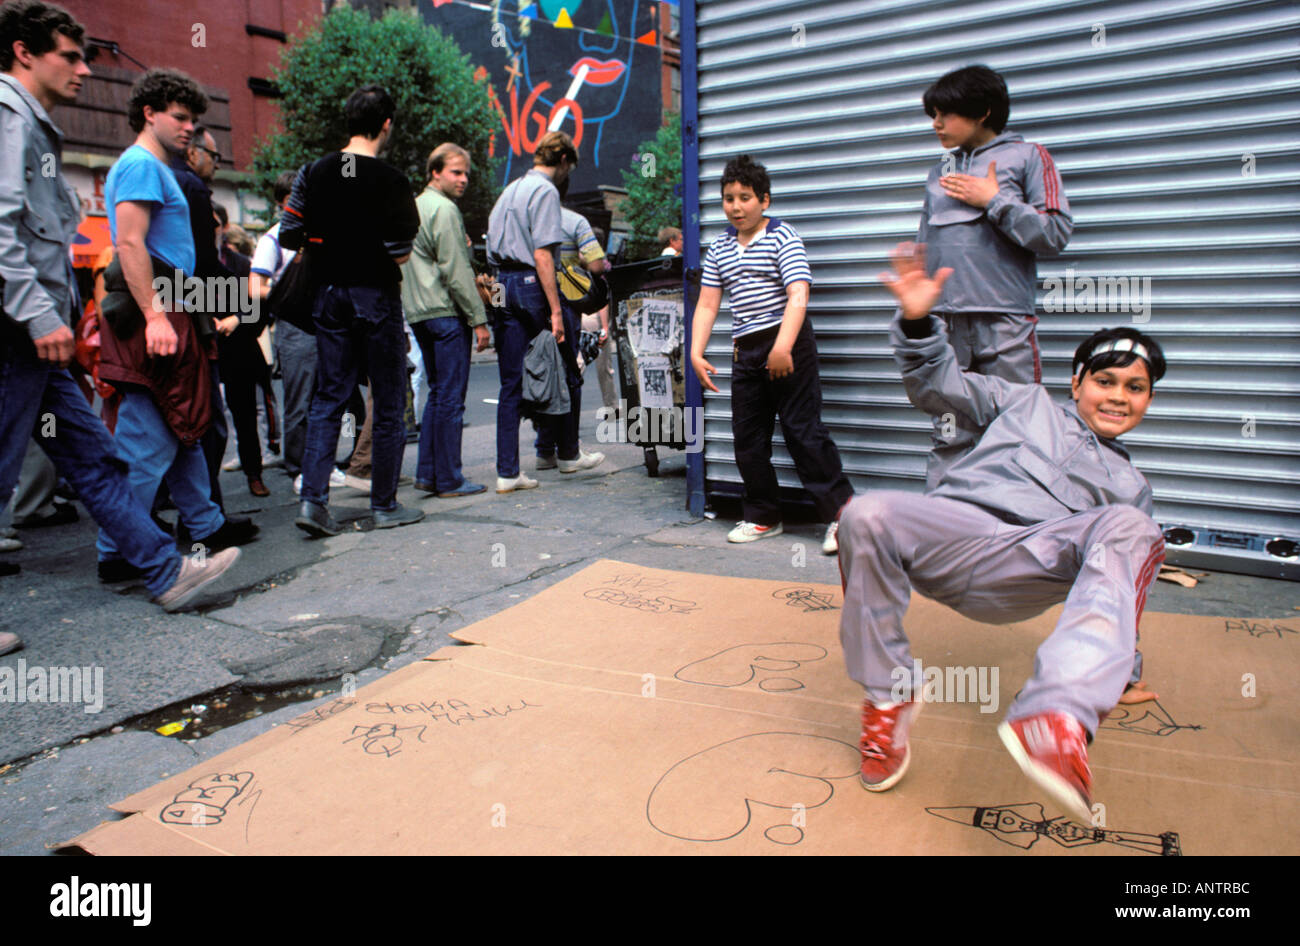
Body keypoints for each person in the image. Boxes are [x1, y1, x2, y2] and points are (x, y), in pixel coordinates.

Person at [839, 242, 1166, 824]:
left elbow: (1121, 588)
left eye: (1135, 388)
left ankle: (1058, 714)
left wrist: (1124, 671)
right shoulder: (1023, 401)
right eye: (1107, 381)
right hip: (957, 530)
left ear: (1148, 400)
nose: (1118, 396)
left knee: (1133, 526)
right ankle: (888, 701)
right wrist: (918, 321)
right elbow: (938, 385)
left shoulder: (1130, 486)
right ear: (1076, 382)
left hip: (1032, 562)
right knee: (864, 513)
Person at [0, 1, 240, 657]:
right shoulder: (12, 119)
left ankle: (164, 570)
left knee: (100, 458)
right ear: (24, 51)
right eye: (69, 55)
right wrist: (39, 311)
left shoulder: (36, 125)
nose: (83, 67)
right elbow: (18, 233)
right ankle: (154, 558)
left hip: (39, 330)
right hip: (22, 327)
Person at [96, 67, 258, 572]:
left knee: (183, 424)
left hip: (172, 306)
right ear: (149, 112)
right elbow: (129, 243)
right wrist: (156, 317)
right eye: (179, 116)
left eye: (193, 119)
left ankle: (205, 523)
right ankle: (116, 547)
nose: (189, 127)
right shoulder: (143, 166)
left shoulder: (153, 167)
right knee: (149, 435)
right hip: (160, 310)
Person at [915, 64, 1072, 486]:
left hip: (1004, 323)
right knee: (950, 428)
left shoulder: (1028, 156)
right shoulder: (938, 173)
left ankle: (1016, 529)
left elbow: (1055, 233)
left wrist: (994, 201)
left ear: (982, 111)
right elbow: (925, 246)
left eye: (945, 113)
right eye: (933, 114)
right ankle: (943, 526)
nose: (936, 124)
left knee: (1019, 426)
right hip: (947, 325)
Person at [690, 155, 853, 555]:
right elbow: (709, 304)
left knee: (803, 432)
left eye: (745, 197)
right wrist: (695, 352)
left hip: (787, 344)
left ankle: (843, 516)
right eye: (728, 198)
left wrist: (782, 345)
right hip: (746, 351)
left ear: (764, 200)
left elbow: (799, 293)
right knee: (748, 439)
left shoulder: (782, 236)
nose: (736, 206)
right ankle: (764, 514)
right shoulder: (720, 248)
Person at [279, 83, 423, 537]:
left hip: (326, 294)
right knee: (388, 396)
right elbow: (400, 250)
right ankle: (383, 503)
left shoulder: (313, 171)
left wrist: (327, 241)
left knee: (327, 397)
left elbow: (288, 232)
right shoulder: (392, 180)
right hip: (375, 295)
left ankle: (313, 501)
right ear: (386, 124)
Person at [486, 130, 604, 493]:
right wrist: (555, 310)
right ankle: (568, 453)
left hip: (500, 284)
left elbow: (490, 248)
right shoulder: (547, 191)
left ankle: (508, 471)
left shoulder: (510, 190)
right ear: (564, 161)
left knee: (510, 383)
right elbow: (542, 255)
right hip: (528, 284)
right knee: (567, 365)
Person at [402, 143, 490, 498]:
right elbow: (456, 272)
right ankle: (451, 478)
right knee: (450, 397)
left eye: (466, 172)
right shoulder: (445, 209)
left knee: (438, 395)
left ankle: (429, 473)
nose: (464, 179)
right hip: (445, 312)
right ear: (435, 171)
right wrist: (479, 320)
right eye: (456, 171)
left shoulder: (414, 206)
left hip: (419, 312)